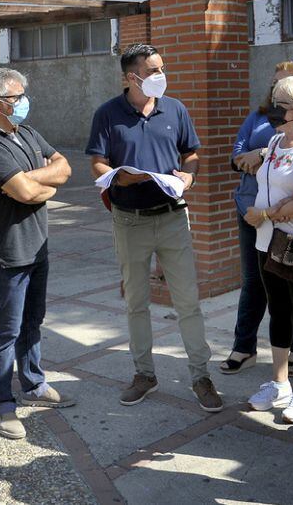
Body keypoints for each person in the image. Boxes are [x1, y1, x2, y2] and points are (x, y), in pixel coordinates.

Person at [86, 44, 223, 413]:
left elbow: (190, 154)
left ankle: (200, 376)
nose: (162, 75)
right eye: (154, 70)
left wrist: (189, 177)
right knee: (136, 303)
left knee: (188, 301)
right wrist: (117, 180)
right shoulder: (107, 114)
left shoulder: (175, 109)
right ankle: (144, 374)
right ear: (133, 77)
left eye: (162, 67)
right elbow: (98, 163)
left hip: (173, 215)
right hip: (129, 220)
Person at [0, 68, 75, 439]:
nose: (24, 101)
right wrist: (40, 184)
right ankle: (2, 405)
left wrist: (34, 179)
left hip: (37, 246)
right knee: (5, 330)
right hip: (6, 254)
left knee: (33, 321)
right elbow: (26, 193)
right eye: (17, 97)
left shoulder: (26, 133)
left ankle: (33, 384)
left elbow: (64, 167)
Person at [242, 76, 293, 422]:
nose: (273, 112)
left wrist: (266, 213)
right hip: (266, 241)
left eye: (281, 106)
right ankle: (279, 382)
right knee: (277, 311)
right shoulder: (274, 143)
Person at [224, 61, 293, 376]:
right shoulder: (257, 117)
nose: (277, 88)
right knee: (253, 281)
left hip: (288, 213)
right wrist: (252, 158)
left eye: (286, 82)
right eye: (274, 82)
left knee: (292, 282)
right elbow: (236, 155)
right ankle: (244, 346)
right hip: (249, 209)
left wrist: (261, 156)